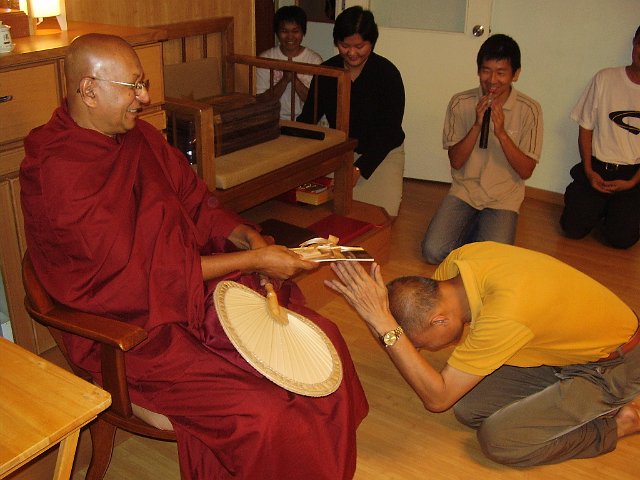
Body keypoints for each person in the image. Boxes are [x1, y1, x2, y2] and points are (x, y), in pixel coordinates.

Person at [19, 33, 368, 480]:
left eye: (143, 84)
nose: (144, 98)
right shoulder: (58, 170)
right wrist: (254, 262)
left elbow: (196, 201)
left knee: (320, 342)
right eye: (133, 86)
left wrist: (247, 238)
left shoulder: (139, 138)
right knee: (261, 412)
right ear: (89, 90)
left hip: (192, 294)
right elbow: (136, 278)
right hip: (134, 331)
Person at [325, 241, 640, 467]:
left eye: (419, 343)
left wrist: (385, 325)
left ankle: (620, 422)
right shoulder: (457, 266)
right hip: (561, 349)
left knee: (500, 441)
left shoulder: (505, 315)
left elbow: (437, 400)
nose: (419, 350)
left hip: (615, 365)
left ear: (439, 321)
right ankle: (559, 399)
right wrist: (379, 314)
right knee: (467, 406)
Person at [420, 34, 543, 264]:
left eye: (501, 72)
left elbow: (526, 170)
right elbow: (456, 161)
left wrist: (502, 133)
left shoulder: (530, 110)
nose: (492, 80)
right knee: (432, 252)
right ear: (478, 71)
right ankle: (473, 232)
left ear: (515, 74)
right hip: (464, 192)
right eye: (486, 71)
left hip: (503, 198)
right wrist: (477, 125)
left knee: (490, 263)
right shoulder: (461, 102)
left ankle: (477, 235)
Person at [298, 6, 406, 217]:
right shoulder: (327, 72)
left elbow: (390, 131)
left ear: (372, 43)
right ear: (336, 42)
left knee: (379, 215)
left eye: (359, 46)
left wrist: (359, 168)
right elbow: (308, 118)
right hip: (340, 149)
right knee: (321, 210)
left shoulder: (387, 74)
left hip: (381, 153)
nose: (352, 53)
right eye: (345, 45)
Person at [560, 26, 640, 249]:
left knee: (621, 240)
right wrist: (588, 170)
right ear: (634, 43)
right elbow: (585, 128)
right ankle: (597, 208)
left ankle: (611, 212)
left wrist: (632, 182)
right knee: (571, 228)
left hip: (632, 174)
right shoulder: (606, 78)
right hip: (597, 166)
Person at [256, 5, 322, 120]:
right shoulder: (265, 59)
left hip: (305, 122)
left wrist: (294, 80)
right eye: (284, 31)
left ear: (303, 32)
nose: (290, 36)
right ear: (277, 32)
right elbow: (261, 100)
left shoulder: (315, 61)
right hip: (272, 120)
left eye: (295, 31)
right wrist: (285, 80)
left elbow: (316, 103)